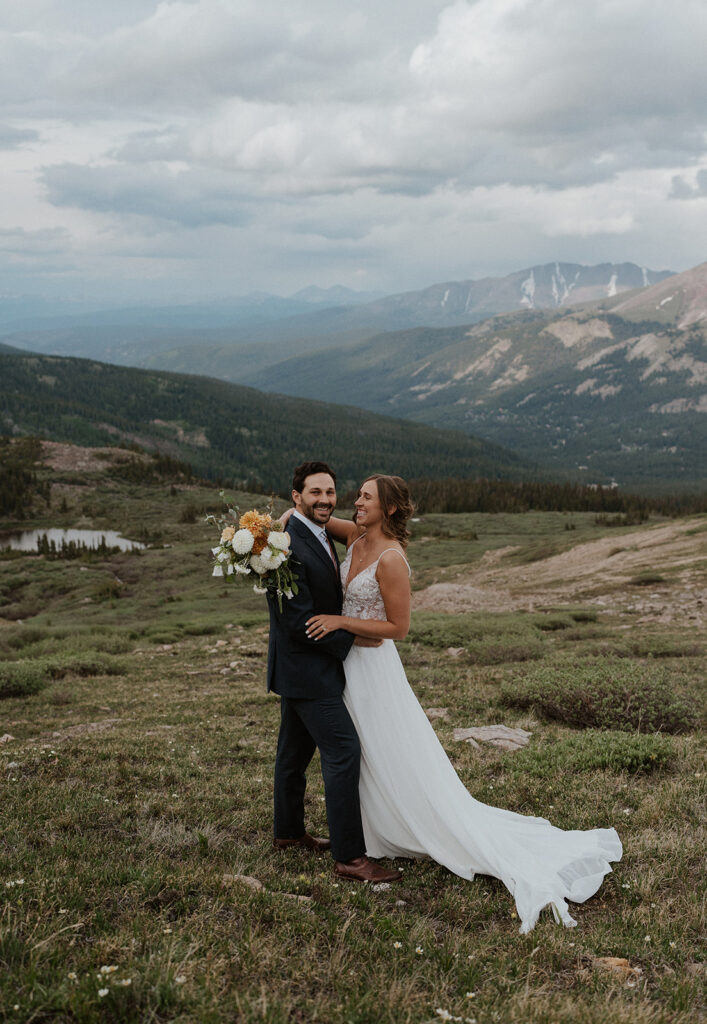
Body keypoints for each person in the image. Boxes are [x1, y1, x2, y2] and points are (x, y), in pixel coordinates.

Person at [300, 473, 622, 933]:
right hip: (346, 669)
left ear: (389, 508)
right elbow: (311, 522)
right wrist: (271, 524)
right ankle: (370, 830)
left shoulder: (391, 559)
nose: (356, 502)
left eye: (366, 497)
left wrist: (339, 620)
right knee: (362, 754)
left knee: (390, 751)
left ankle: (417, 825)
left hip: (375, 673)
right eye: (358, 496)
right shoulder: (355, 535)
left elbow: (398, 629)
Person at [266, 461, 401, 884]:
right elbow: (297, 621)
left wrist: (283, 519)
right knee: (342, 751)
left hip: (303, 669)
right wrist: (352, 639)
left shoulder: (316, 531)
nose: (325, 500)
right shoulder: (285, 545)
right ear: (296, 496)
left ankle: (288, 833)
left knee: (293, 754)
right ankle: (350, 858)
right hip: (309, 670)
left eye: (330, 492)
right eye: (314, 493)